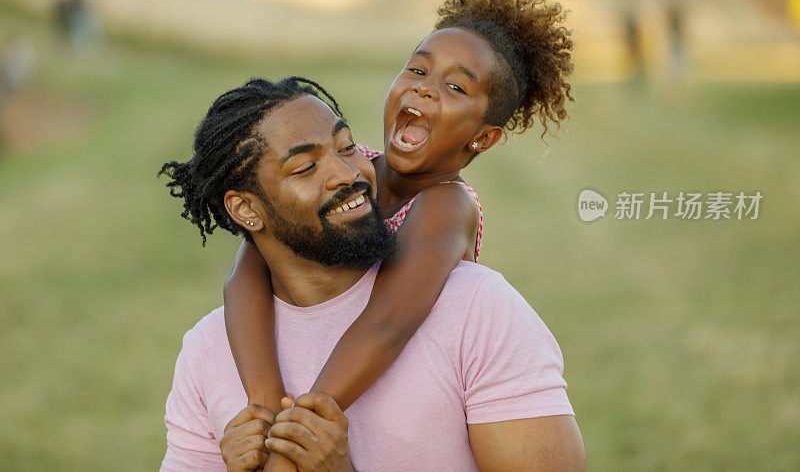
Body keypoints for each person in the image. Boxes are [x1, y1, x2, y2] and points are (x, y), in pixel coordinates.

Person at [222, 0, 574, 470]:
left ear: (484, 136)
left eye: (457, 88)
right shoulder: (350, 166)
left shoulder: (448, 204)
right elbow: (247, 273)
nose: (425, 89)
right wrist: (265, 404)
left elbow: (387, 323)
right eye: (418, 69)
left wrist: (299, 437)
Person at [158, 77, 584, 471]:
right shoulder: (207, 352)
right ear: (245, 210)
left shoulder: (476, 309)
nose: (348, 174)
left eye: (347, 147)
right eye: (305, 168)